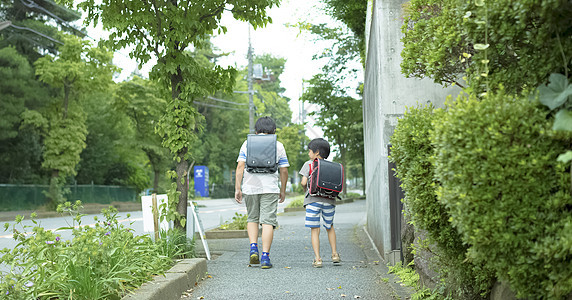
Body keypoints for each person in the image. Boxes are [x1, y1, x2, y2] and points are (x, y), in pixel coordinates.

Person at [235, 116, 289, 269]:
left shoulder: (247, 143)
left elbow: (240, 167)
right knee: (268, 222)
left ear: (256, 130)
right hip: (270, 188)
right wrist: (282, 190)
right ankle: (265, 257)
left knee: (252, 218)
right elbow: (284, 170)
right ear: (274, 130)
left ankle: (253, 247)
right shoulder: (278, 145)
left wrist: (238, 188)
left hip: (250, 187)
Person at [299, 138, 340, 268]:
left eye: (310, 151)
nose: (308, 154)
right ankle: (334, 254)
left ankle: (318, 259)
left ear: (316, 152)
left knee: (314, 230)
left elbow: (304, 183)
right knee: (330, 227)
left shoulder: (309, 164)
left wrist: (304, 190)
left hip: (313, 201)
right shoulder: (331, 166)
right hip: (329, 201)